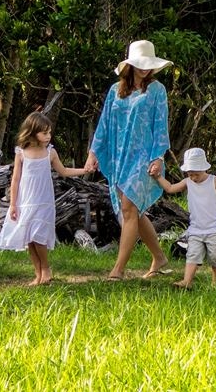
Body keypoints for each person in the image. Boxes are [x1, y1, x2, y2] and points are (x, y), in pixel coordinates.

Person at [85, 39, 174, 280]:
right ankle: (159, 257)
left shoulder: (157, 90)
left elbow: (160, 126)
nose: (145, 68)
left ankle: (119, 269)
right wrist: (94, 152)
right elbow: (104, 123)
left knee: (128, 208)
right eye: (140, 64)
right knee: (133, 210)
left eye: (148, 64)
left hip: (144, 158)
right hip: (119, 157)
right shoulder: (116, 90)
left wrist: (158, 157)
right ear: (131, 65)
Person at [0, 110, 93, 285]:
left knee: (38, 235)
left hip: (44, 202)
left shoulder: (50, 153)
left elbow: (63, 172)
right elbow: (16, 179)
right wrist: (12, 204)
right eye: (44, 133)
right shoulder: (22, 152)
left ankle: (46, 269)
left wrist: (84, 170)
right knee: (29, 239)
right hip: (25, 202)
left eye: (49, 132)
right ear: (33, 132)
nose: (48, 136)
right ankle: (38, 273)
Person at [154, 146, 216, 288]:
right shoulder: (187, 182)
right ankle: (187, 281)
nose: (193, 177)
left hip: (214, 229)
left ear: (204, 169)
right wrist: (158, 177)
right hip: (195, 229)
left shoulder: (214, 181)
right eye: (189, 174)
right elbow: (170, 188)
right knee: (192, 255)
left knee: (215, 257)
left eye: (196, 174)